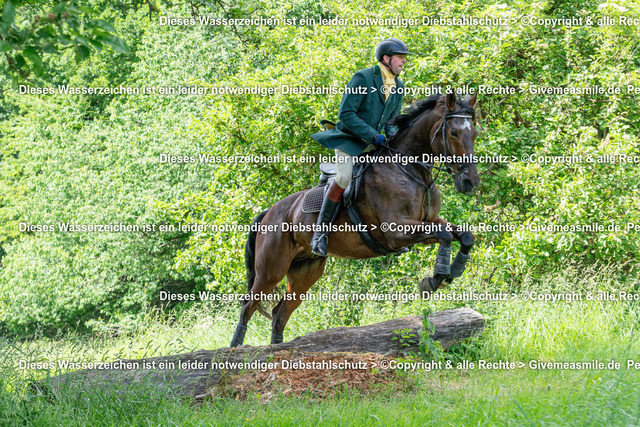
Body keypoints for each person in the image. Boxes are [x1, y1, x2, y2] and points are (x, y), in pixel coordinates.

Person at [310, 37, 410, 257]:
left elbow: (392, 121)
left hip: (375, 144)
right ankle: (320, 233)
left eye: (404, 58)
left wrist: (393, 136)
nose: (404, 61)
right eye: (400, 57)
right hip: (349, 140)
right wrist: (374, 135)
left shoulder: (399, 86)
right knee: (344, 177)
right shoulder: (363, 78)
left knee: (394, 175)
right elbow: (345, 114)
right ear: (386, 58)